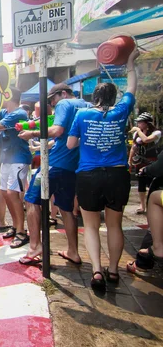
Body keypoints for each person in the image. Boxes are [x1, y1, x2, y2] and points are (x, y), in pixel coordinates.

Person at [67, 48, 139, 291]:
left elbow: (70, 144)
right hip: (118, 174)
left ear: (94, 96)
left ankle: (96, 271)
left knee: (90, 225)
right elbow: (131, 88)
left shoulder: (82, 114)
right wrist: (130, 63)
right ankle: (114, 270)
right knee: (114, 225)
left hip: (88, 175)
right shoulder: (121, 111)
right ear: (112, 98)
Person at [18, 83, 91, 266]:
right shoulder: (88, 106)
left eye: (52, 100)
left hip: (54, 166)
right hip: (73, 167)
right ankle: (73, 251)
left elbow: (57, 131)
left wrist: (32, 133)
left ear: (63, 94)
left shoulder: (65, 104)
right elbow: (66, 138)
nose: (52, 105)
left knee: (31, 200)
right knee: (66, 209)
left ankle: (35, 246)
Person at [0, 88, 32, 248]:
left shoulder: (18, 114)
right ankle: (15, 225)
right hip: (6, 159)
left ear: (9, 96)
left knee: (13, 193)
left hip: (19, 158)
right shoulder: (6, 112)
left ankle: (21, 231)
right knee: (5, 193)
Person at [128, 112, 161, 214]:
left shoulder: (156, 133)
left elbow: (146, 140)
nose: (138, 124)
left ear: (147, 123)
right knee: (141, 184)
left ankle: (152, 204)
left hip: (152, 161)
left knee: (152, 184)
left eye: (140, 122)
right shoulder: (136, 134)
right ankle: (142, 206)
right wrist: (130, 160)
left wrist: (138, 130)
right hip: (140, 161)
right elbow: (134, 147)